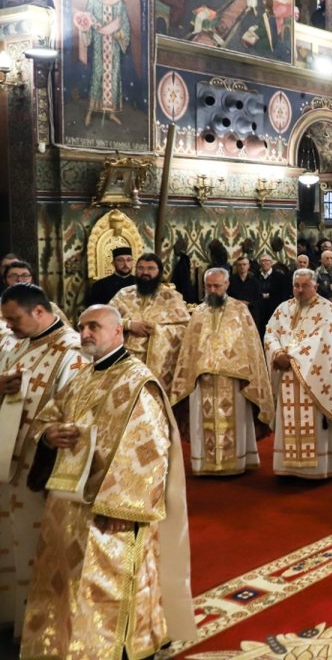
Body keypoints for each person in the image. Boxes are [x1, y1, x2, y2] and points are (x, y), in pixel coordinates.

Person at [21, 305, 195, 656]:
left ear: (118, 332)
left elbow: (149, 448)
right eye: (82, 327)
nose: (85, 334)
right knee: (68, 579)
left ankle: (117, 649)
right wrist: (49, 435)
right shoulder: (83, 377)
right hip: (69, 501)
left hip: (109, 507)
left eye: (94, 327)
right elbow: (46, 419)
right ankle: (69, 643)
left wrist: (123, 505)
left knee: (108, 582)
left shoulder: (137, 381)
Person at [0, 284, 86, 639]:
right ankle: (18, 624)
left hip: (43, 471)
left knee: (42, 549)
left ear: (38, 311)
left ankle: (46, 631)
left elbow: (78, 412)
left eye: (14, 318)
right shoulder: (17, 346)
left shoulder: (72, 351)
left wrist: (49, 435)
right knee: (14, 546)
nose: (9, 325)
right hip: (9, 467)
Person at [170, 268, 274, 476]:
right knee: (203, 422)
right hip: (202, 380)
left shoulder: (240, 310)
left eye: (217, 286)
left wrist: (236, 367)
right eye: (208, 286)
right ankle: (205, 465)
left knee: (235, 421)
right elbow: (189, 348)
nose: (212, 290)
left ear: (227, 285)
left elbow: (251, 346)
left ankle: (237, 463)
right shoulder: (198, 312)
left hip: (234, 380)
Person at [263, 268, 332, 479]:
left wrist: (290, 357)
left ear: (315, 286)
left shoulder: (327, 309)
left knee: (316, 423)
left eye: (304, 286)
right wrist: (277, 353)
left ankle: (320, 469)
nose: (299, 290)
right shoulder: (283, 308)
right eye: (296, 286)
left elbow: (320, 341)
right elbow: (270, 332)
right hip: (287, 377)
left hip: (315, 378)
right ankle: (289, 469)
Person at [109, 252, 191, 393]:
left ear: (159, 272)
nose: (145, 272)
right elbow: (104, 321)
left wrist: (157, 330)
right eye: (140, 268)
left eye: (151, 268)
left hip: (159, 365)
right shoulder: (123, 294)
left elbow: (185, 328)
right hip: (124, 360)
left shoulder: (171, 297)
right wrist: (129, 325)